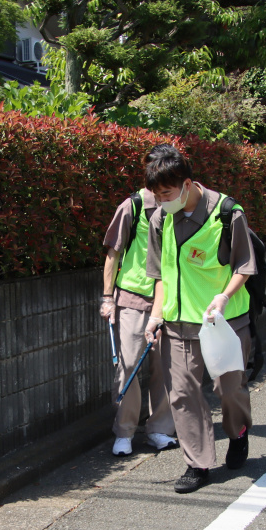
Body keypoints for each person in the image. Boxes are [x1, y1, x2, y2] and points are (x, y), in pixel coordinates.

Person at [142, 147, 257, 493]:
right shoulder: (159, 220)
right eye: (156, 195)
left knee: (229, 390)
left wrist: (224, 296)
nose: (161, 201)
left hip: (223, 323)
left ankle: (237, 433)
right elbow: (160, 275)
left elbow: (244, 265)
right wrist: (155, 316)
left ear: (188, 184)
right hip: (177, 325)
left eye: (167, 193)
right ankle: (198, 463)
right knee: (182, 394)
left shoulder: (226, 214)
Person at [100, 145, 178, 456]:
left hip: (169, 300)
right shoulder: (131, 206)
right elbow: (113, 253)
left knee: (165, 367)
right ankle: (124, 431)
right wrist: (107, 298)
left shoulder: (177, 207)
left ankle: (159, 429)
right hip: (132, 298)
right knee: (130, 366)